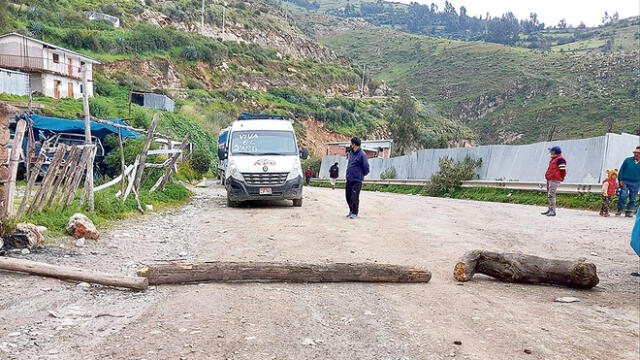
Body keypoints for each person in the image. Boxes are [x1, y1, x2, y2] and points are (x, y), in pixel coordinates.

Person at [345, 137, 369, 219]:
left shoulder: (362, 154)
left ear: (354, 144)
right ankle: (351, 210)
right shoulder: (351, 153)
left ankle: (355, 213)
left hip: (357, 179)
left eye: (351, 143)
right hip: (349, 178)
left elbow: (366, 167)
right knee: (348, 196)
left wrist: (360, 175)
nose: (350, 144)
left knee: (354, 196)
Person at [542, 146, 567, 217]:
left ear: (554, 152)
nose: (550, 152)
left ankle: (553, 211)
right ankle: (550, 209)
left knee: (551, 194)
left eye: (551, 151)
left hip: (555, 179)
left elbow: (562, 170)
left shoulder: (560, 159)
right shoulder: (554, 159)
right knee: (549, 194)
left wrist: (561, 177)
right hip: (550, 178)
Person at [616, 146, 640, 217]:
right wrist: (620, 180)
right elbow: (621, 170)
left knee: (633, 198)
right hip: (625, 181)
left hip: (636, 182)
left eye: (638, 153)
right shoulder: (627, 160)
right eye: (635, 153)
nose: (636, 154)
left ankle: (629, 211)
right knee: (623, 195)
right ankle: (620, 209)